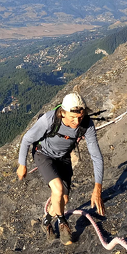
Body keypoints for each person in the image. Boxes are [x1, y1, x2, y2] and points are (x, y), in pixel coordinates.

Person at [17, 92, 105, 245]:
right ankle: (63, 224)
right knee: (57, 190)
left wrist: (98, 187)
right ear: (63, 113)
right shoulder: (49, 120)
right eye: (73, 117)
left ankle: (46, 221)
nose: (77, 121)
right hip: (43, 154)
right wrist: (22, 164)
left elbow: (96, 156)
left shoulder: (87, 125)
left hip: (63, 157)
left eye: (80, 116)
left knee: (63, 198)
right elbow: (27, 139)